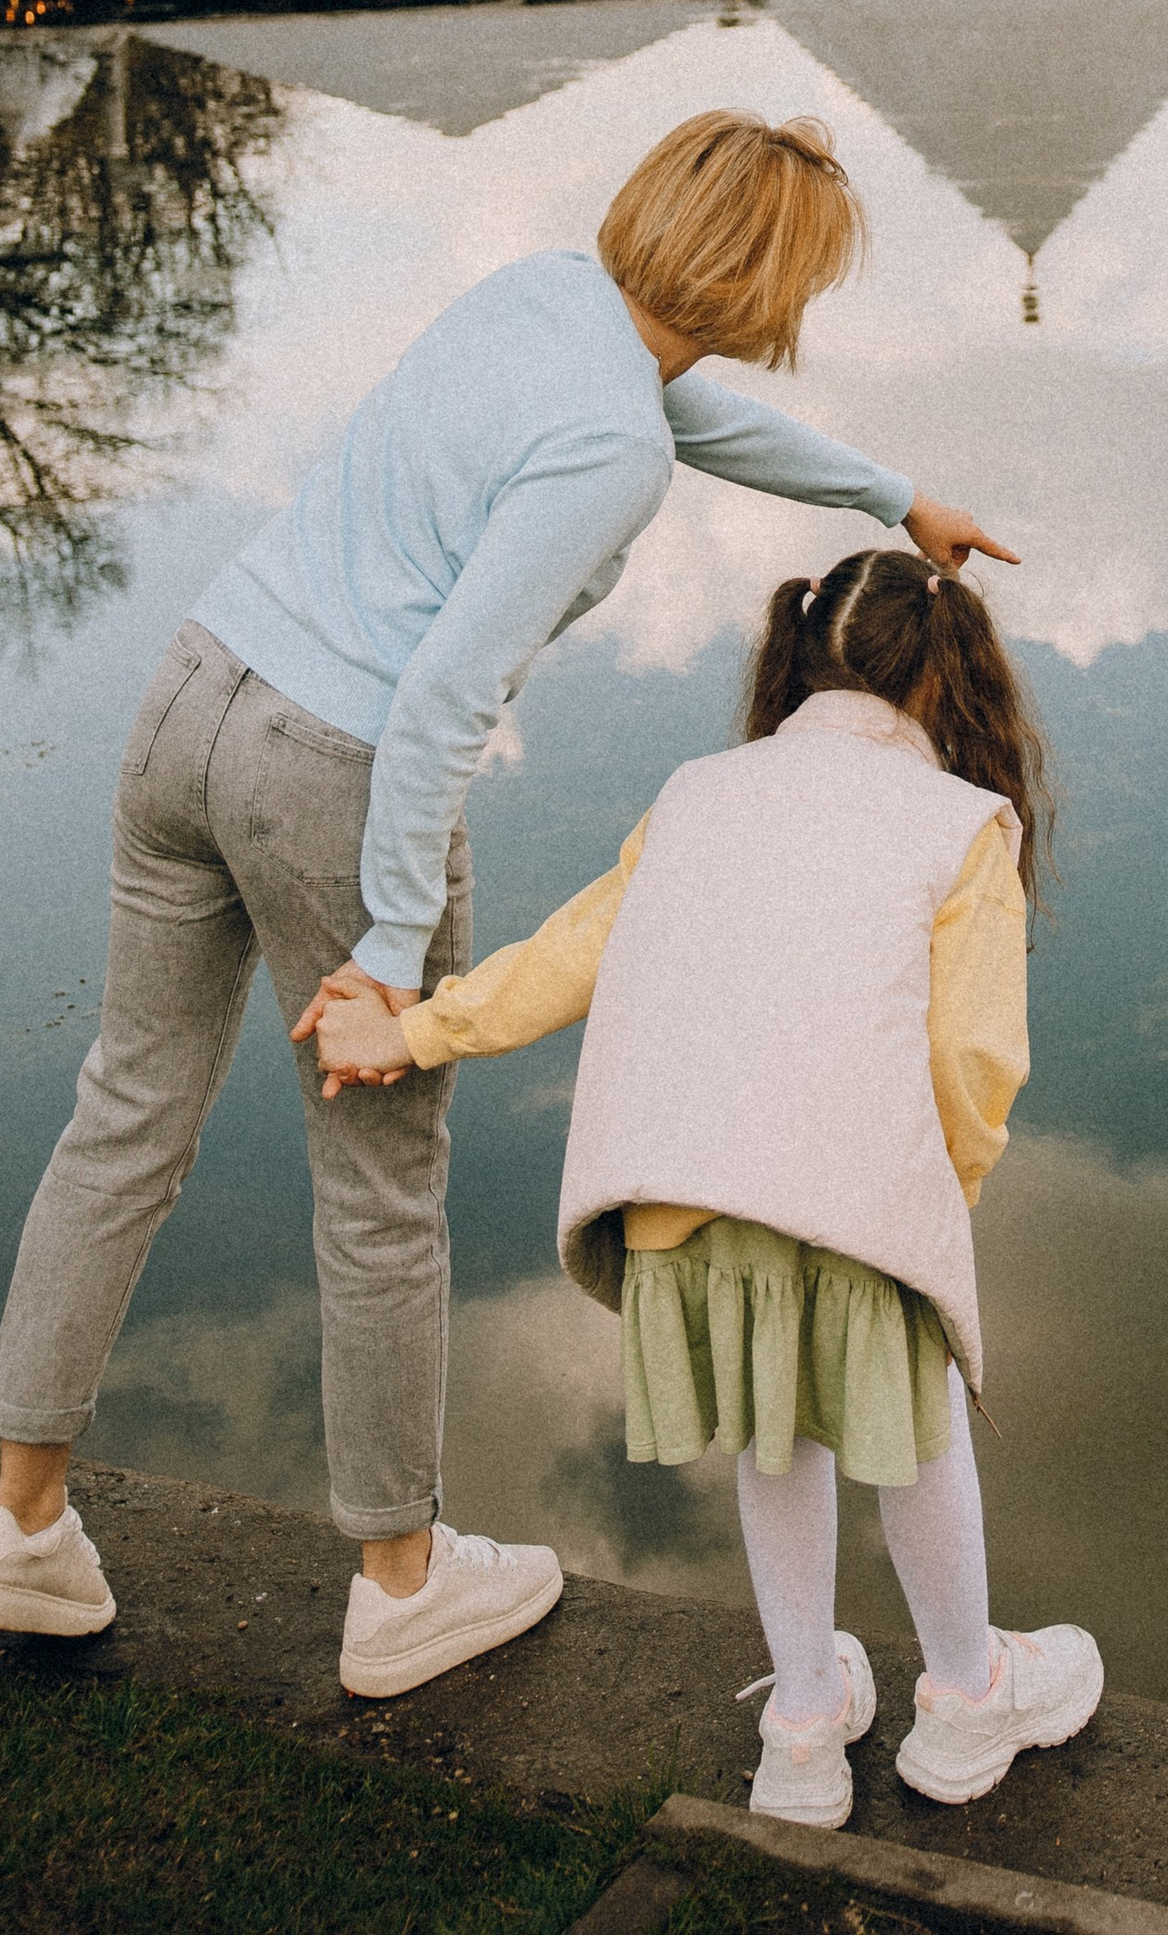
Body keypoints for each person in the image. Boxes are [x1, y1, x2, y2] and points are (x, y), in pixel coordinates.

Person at [0, 110, 1011, 1705]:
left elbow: (676, 411)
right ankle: (400, 1584)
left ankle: (15, 1531)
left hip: (197, 689)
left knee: (125, 1115)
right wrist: (384, 950)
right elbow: (444, 693)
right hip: (334, 765)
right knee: (379, 1179)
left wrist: (884, 490)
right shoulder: (611, 451)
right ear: (761, 282)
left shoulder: (537, 295)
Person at [313, 545, 1101, 1826]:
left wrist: (410, 1031)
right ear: (947, 680)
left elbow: (573, 952)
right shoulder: (963, 825)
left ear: (794, 661)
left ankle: (801, 1726)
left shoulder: (697, 793)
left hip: (685, 1211)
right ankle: (964, 1702)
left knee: (770, 1432)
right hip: (854, 1205)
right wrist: (934, 1194)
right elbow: (972, 1056)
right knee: (916, 1441)